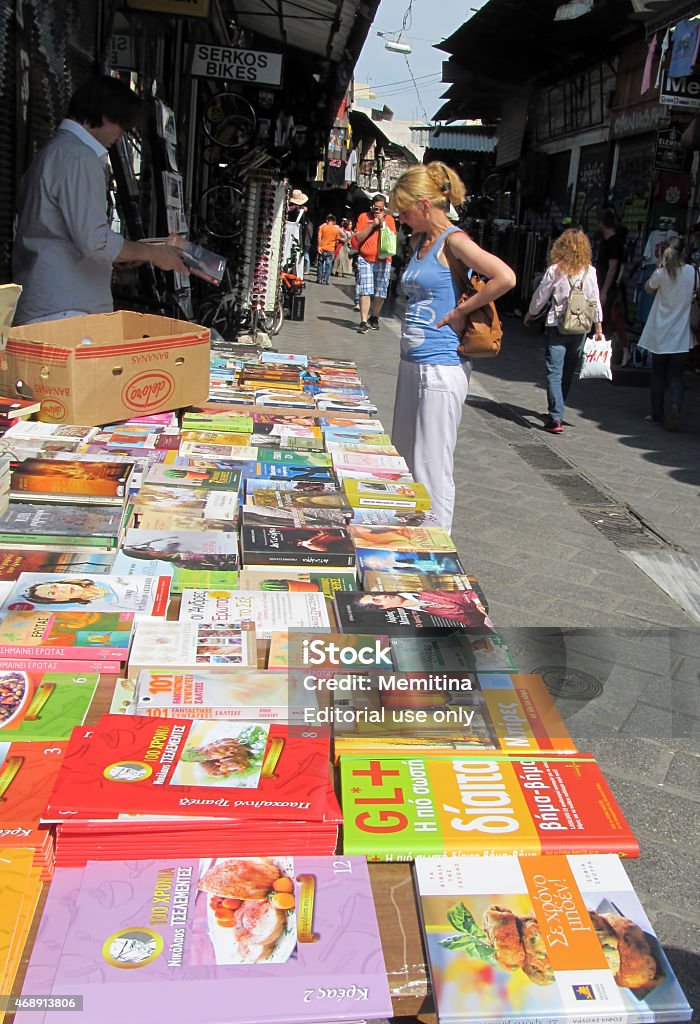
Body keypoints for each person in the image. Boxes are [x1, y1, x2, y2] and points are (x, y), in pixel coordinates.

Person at [388, 162, 515, 532]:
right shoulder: (419, 242)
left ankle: (437, 545)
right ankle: (412, 534)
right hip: (412, 364)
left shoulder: (454, 241)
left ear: (425, 205)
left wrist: (463, 309)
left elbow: (504, 276)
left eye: (406, 211)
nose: (403, 219)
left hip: (440, 366)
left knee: (431, 466)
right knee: (406, 459)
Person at [12, 75, 187, 325]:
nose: (120, 136)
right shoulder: (79, 157)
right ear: (104, 116)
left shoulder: (57, 152)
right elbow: (94, 242)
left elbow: (75, 235)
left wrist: (126, 254)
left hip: (54, 304)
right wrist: (153, 253)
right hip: (66, 309)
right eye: (121, 126)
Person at [524, 228, 603, 434]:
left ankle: (556, 415)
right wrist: (599, 325)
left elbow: (541, 296)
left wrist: (531, 314)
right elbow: (595, 300)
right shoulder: (590, 271)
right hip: (580, 328)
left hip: (558, 326)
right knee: (568, 371)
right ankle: (558, 408)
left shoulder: (555, 270)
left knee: (554, 371)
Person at [637, 238, 696, 431]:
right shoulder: (692, 272)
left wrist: (659, 268)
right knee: (677, 377)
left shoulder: (661, 273)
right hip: (681, 336)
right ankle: (675, 406)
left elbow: (647, 288)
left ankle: (657, 413)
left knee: (658, 376)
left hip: (660, 335)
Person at [352, 194, 397, 333]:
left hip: (384, 261)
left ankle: (374, 317)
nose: (377, 211)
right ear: (371, 206)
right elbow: (358, 237)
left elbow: (392, 238)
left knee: (380, 292)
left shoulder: (389, 219)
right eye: (375, 208)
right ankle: (363, 321)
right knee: (365, 289)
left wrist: (383, 223)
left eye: (380, 208)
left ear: (384, 208)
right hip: (365, 259)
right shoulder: (363, 217)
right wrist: (373, 225)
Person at [596, 208, 630, 367]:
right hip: (605, 286)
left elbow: (613, 267)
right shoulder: (606, 241)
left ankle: (622, 352)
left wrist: (604, 290)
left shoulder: (615, 243)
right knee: (608, 320)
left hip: (611, 288)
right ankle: (611, 353)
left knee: (612, 319)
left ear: (603, 224)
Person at [316, 214, 341, 285]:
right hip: (331, 249)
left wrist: (319, 246)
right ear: (334, 222)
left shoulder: (323, 227)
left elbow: (319, 237)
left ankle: (319, 279)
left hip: (322, 248)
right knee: (328, 265)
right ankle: (325, 280)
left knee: (320, 264)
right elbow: (337, 240)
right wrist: (334, 247)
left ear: (327, 220)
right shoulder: (336, 230)